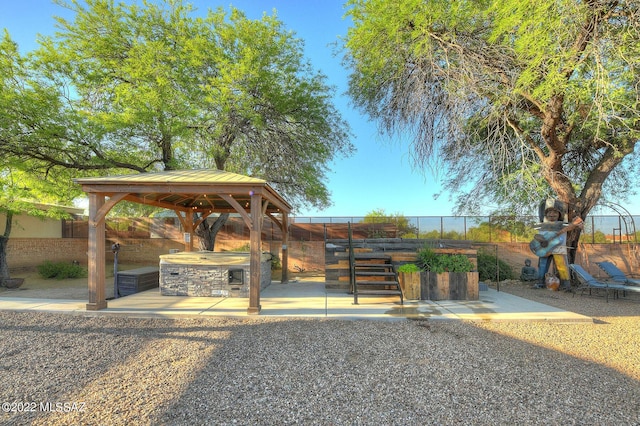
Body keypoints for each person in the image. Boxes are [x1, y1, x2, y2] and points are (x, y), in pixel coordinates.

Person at [532, 206, 583, 291]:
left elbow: (576, 225)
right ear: (546, 216)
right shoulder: (542, 225)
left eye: (554, 214)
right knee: (542, 266)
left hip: (559, 248)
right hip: (545, 249)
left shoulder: (562, 224)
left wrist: (577, 224)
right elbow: (538, 236)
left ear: (559, 215)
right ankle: (540, 282)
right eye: (549, 214)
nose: (552, 216)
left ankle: (566, 285)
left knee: (562, 266)